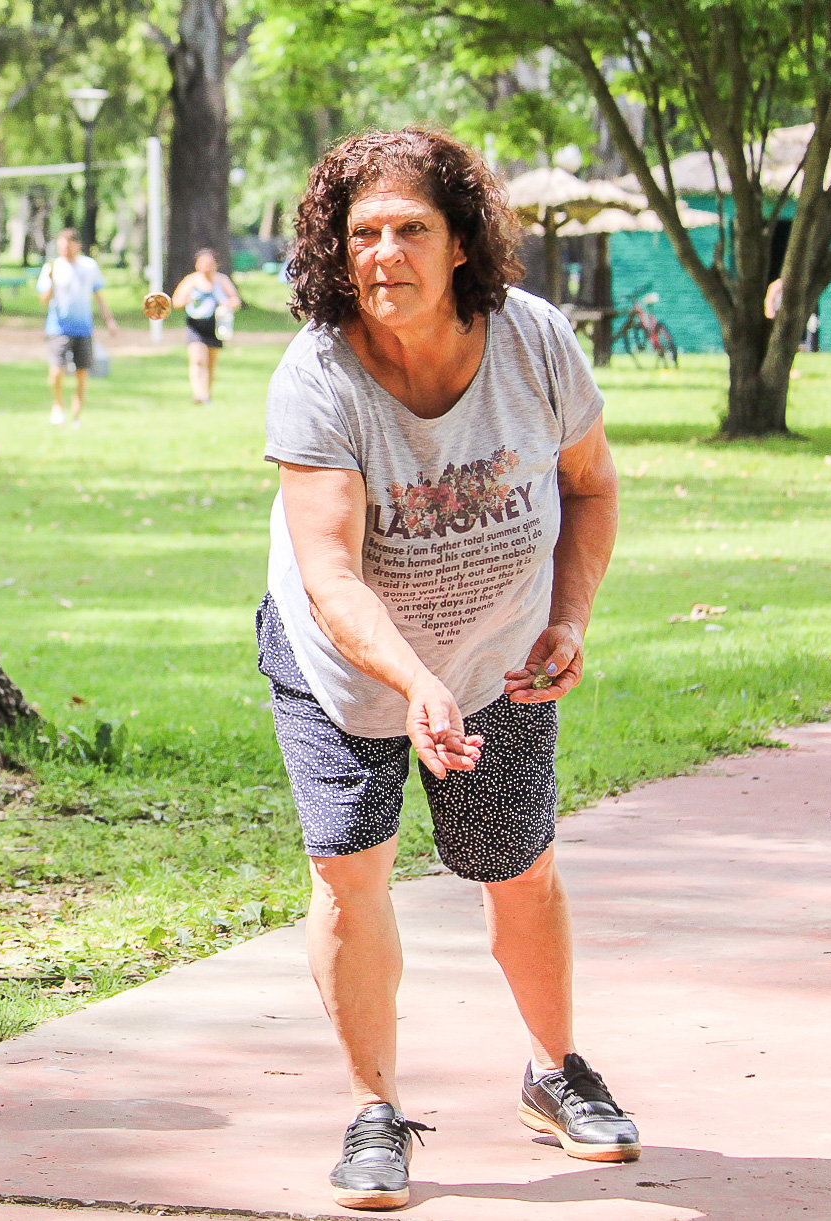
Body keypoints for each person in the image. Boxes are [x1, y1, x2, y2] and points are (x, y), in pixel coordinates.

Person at [260, 128, 627, 1212]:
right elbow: (328, 575)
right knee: (349, 869)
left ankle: (554, 1072)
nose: (382, 254)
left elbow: (591, 488)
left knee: (516, 867)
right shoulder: (316, 375)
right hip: (345, 668)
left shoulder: (535, 345)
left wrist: (567, 619)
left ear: (459, 241)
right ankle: (373, 1109)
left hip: (495, 655)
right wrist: (411, 684)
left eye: (409, 229)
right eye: (360, 232)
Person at [36, 228, 116, 428]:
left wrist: (109, 320)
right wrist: (52, 282)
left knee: (81, 374)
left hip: (83, 328)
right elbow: (44, 300)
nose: (64, 250)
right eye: (61, 246)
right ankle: (57, 406)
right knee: (56, 371)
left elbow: (99, 295)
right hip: (58, 328)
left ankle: (76, 415)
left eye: (68, 245)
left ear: (77, 245)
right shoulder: (51, 267)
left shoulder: (90, 266)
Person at [171, 247, 242, 405]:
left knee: (210, 361)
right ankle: (198, 394)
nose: (206, 266)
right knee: (197, 360)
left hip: (216, 326)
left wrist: (227, 304)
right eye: (202, 263)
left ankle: (207, 394)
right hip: (196, 325)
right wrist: (188, 300)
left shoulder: (222, 280)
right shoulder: (191, 281)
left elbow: (236, 301)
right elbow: (176, 301)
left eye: (209, 263)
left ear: (216, 264)